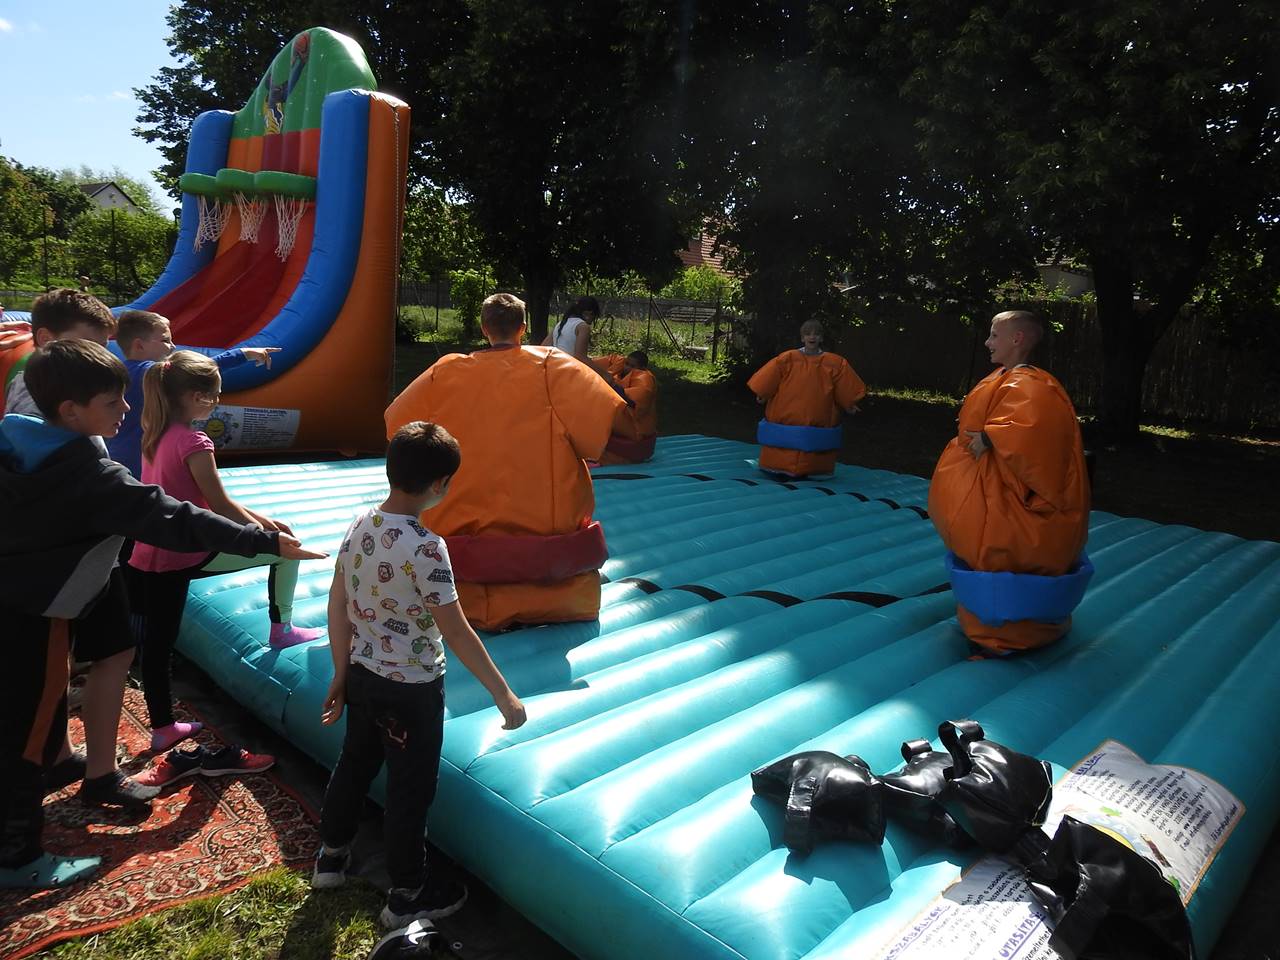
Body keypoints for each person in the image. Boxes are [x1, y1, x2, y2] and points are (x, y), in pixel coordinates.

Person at [0, 339, 324, 889]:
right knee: (25, 725)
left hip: (41, 593)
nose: (126, 410)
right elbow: (171, 516)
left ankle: (61, 766)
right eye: (112, 402)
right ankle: (16, 854)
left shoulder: (18, 440)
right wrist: (262, 540)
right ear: (70, 410)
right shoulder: (87, 477)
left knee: (47, 699)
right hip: (35, 609)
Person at [311, 420, 526, 929]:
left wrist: (341, 672)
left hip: (363, 675)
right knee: (409, 790)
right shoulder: (428, 548)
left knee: (354, 764)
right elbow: (457, 630)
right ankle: (408, 892)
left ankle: (331, 857)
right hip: (412, 690)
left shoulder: (360, 524)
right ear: (440, 485)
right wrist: (504, 695)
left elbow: (338, 601)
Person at [385, 293, 625, 630]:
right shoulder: (554, 368)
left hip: (454, 587)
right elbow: (601, 434)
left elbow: (396, 426)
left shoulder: (444, 372)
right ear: (523, 328)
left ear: (484, 328)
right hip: (552, 581)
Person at [128, 351, 327, 752]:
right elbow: (219, 505)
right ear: (196, 397)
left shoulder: (155, 431)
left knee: (156, 645)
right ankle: (282, 629)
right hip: (186, 551)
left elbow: (211, 499)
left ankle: (163, 724)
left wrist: (266, 521)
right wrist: (268, 538)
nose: (218, 401)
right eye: (215, 395)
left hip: (149, 550)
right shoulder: (194, 441)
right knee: (283, 555)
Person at [928, 310, 1091, 656]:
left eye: (994, 335)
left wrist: (992, 437)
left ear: (1017, 339)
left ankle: (1007, 633)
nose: (988, 342)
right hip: (991, 491)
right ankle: (991, 624)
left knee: (1005, 551)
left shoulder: (1030, 384)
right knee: (985, 552)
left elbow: (1038, 431)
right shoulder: (1004, 378)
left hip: (1010, 500)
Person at [108, 309, 280, 478]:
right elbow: (198, 369)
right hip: (140, 460)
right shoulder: (149, 373)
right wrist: (243, 354)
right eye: (165, 340)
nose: (172, 346)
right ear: (139, 345)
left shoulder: (120, 372)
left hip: (121, 455)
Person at [747, 320, 867, 478]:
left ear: (821, 338)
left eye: (816, 334)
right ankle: (778, 467)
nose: (812, 337)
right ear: (802, 338)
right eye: (808, 334)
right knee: (786, 445)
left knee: (812, 452)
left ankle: (813, 469)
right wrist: (763, 393)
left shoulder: (835, 364)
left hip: (818, 417)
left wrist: (849, 403)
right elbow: (770, 378)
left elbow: (844, 386)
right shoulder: (788, 359)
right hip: (786, 414)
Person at [4, 288, 116, 420]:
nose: (99, 356)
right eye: (88, 345)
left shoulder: (74, 380)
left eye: (103, 347)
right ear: (46, 339)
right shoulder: (34, 394)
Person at [594, 350, 659, 464]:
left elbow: (631, 399)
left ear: (642, 368)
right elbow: (592, 362)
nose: (627, 367)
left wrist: (611, 384)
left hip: (636, 429)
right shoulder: (618, 365)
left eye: (632, 366)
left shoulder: (646, 380)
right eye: (627, 364)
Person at [544, 296, 600, 364]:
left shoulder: (560, 324)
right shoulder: (583, 327)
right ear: (589, 313)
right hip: (570, 367)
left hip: (555, 366)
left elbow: (543, 348)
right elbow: (580, 357)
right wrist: (602, 371)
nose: (593, 320)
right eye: (594, 316)